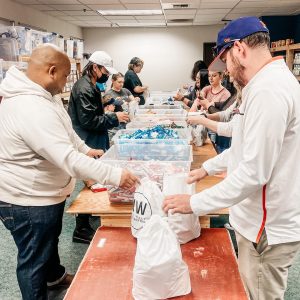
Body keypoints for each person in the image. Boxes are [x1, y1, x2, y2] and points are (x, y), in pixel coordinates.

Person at [162, 16, 300, 300]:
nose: (226, 71)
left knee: (259, 293)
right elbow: (244, 144)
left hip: (266, 227)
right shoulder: (263, 85)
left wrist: (194, 203)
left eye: (225, 62)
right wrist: (207, 169)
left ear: (239, 49)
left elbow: (254, 172)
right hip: (260, 220)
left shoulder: (268, 90)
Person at [0, 44, 138, 300]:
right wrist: (116, 175)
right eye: (65, 76)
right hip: (26, 198)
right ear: (52, 71)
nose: (67, 83)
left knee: (48, 244)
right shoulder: (30, 107)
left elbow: (66, 132)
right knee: (33, 259)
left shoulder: (43, 96)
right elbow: (66, 158)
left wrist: (86, 149)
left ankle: (54, 278)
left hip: (44, 193)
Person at [68, 51, 130, 244]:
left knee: (95, 179)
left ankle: (89, 216)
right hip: (87, 138)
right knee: (90, 181)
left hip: (94, 136)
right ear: (95, 67)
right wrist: (114, 117)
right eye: (105, 71)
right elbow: (88, 120)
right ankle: (81, 228)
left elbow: (95, 109)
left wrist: (110, 105)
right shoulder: (83, 88)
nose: (108, 76)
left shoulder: (92, 84)